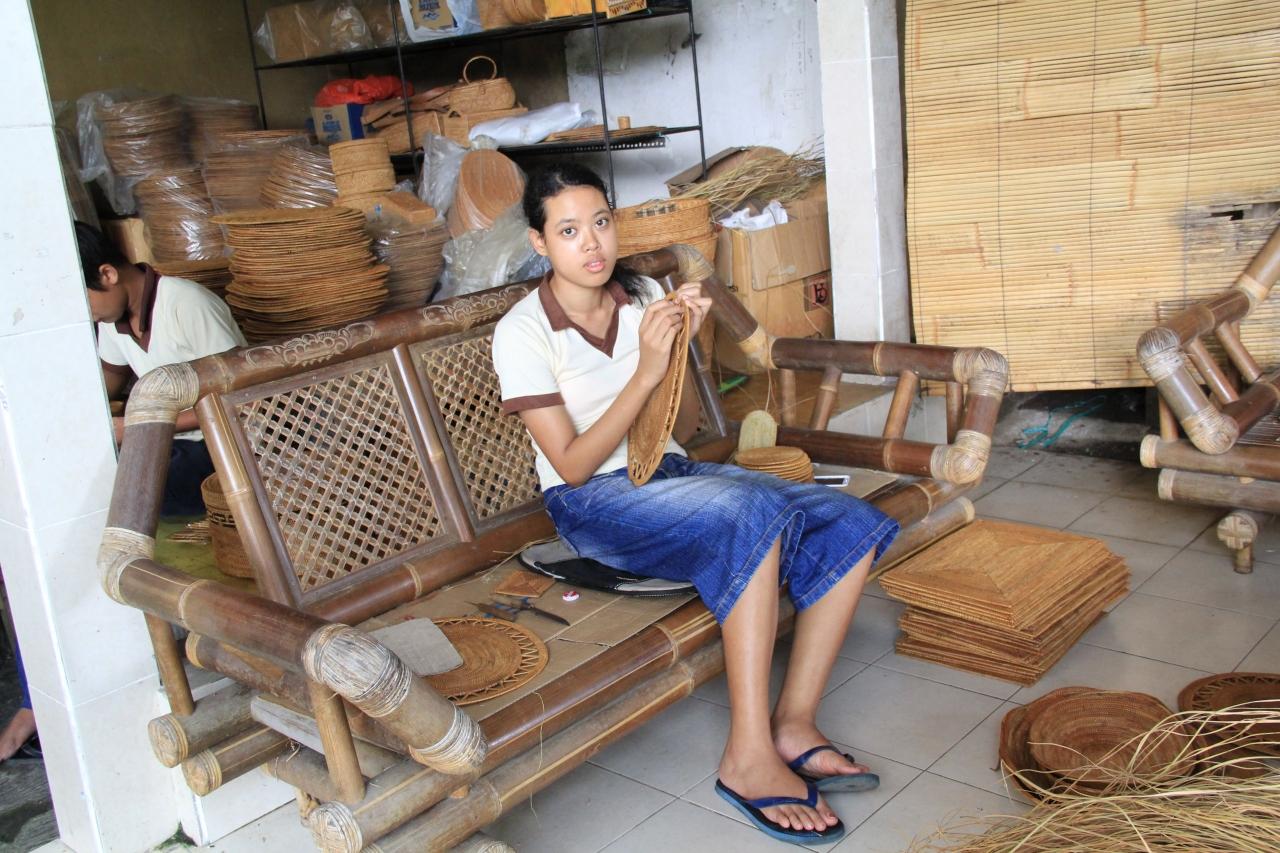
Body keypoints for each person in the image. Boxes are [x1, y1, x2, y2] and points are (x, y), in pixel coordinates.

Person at [492, 163, 898, 846]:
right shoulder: (523, 331)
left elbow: (671, 425)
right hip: (591, 502)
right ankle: (747, 755)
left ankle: (794, 724)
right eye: (568, 230)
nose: (591, 243)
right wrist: (648, 366)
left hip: (668, 472)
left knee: (848, 519)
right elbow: (573, 463)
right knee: (751, 514)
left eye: (601, 222)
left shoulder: (642, 295)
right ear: (540, 242)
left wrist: (681, 343)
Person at [77, 222, 247, 517]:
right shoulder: (111, 319)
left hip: (220, 439)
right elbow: (111, 376)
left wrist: (140, 424)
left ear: (108, 274)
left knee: (143, 490)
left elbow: (239, 398)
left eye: (84, 299)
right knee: (86, 471)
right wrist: (75, 419)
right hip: (166, 437)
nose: (85, 314)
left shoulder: (186, 303)